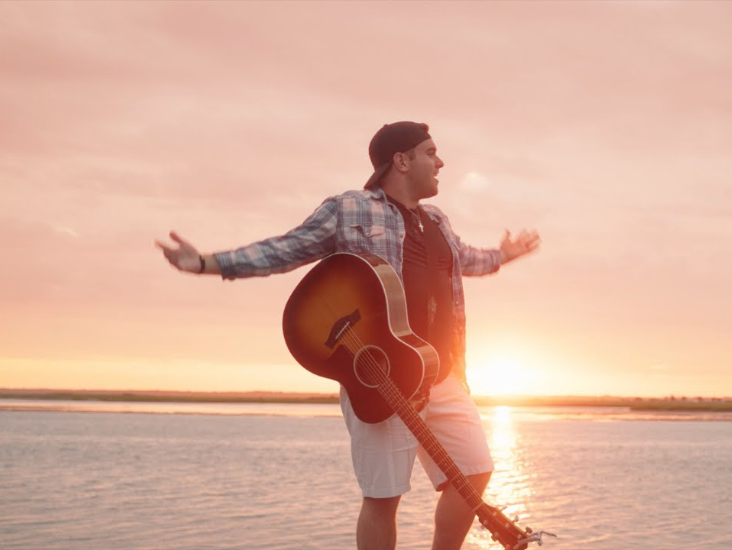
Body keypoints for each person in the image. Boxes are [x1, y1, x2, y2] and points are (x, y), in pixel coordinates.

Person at [156, 121, 541, 550]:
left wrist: (503, 255)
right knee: (383, 497)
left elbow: (466, 258)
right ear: (401, 160)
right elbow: (286, 248)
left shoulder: (436, 219)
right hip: (380, 376)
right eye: (431, 152)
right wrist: (208, 263)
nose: (440, 161)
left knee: (474, 470)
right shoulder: (350, 208)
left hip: (443, 373)